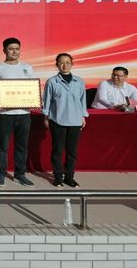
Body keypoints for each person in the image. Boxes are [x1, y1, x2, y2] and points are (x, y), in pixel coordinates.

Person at [0, 37, 35, 187]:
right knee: (2, 146)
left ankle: (20, 175)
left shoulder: (27, 67)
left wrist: (34, 100)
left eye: (17, 49)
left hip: (24, 113)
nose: (14, 51)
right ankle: (0, 174)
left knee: (22, 146)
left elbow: (32, 87)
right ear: (4, 50)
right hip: (5, 114)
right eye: (11, 49)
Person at [42, 53, 88, 188]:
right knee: (57, 150)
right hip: (57, 120)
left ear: (72, 64)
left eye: (68, 62)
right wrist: (46, 117)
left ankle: (69, 177)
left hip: (75, 120)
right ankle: (58, 177)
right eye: (61, 62)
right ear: (57, 65)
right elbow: (47, 101)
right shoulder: (52, 81)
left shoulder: (79, 81)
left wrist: (83, 116)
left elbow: (82, 101)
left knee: (72, 151)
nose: (64, 65)